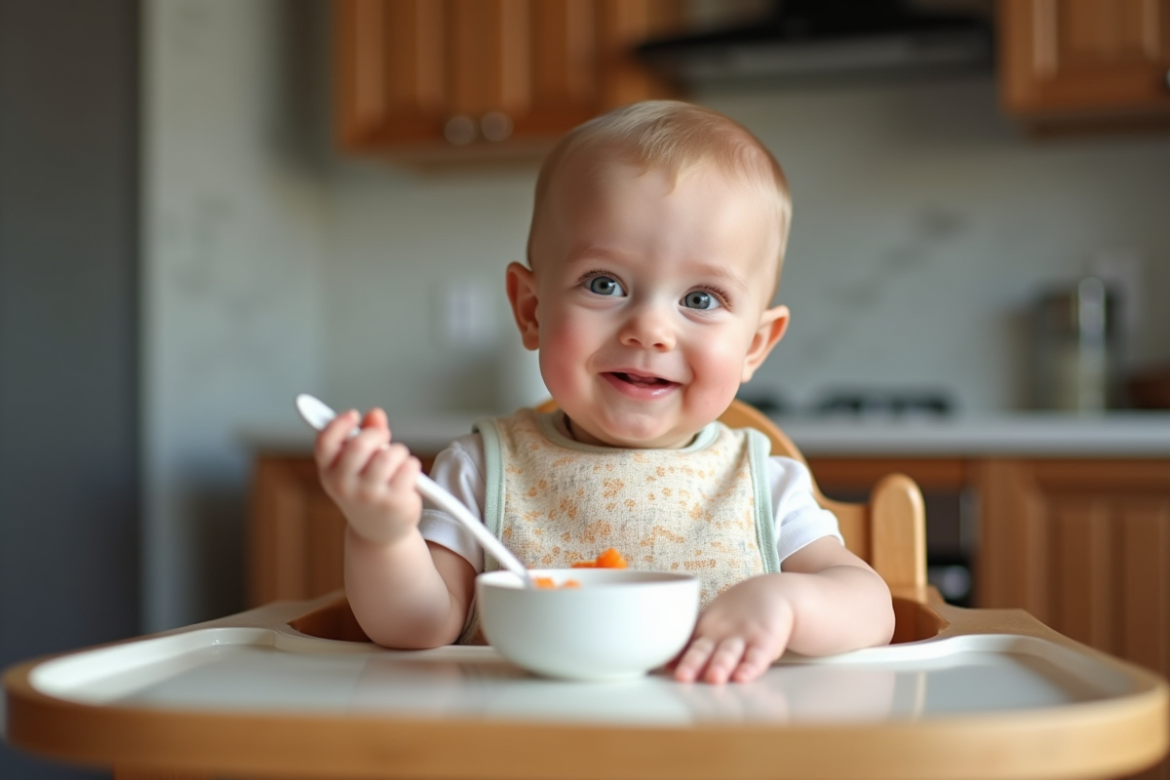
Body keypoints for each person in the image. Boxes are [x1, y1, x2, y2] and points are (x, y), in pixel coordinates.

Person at [313, 100, 895, 684]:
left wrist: (788, 605)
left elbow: (871, 608)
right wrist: (382, 534)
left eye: (700, 298)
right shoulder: (483, 471)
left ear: (755, 345)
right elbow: (417, 627)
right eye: (604, 283)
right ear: (531, 309)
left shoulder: (761, 485)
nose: (649, 328)